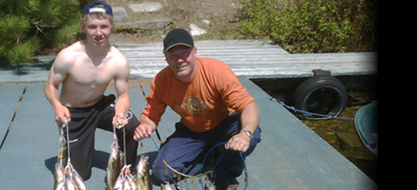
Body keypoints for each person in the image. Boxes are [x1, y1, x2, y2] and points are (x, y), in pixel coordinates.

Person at [133, 28, 262, 189]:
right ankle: (211, 156)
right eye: (173, 56)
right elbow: (150, 116)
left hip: (225, 122)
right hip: (191, 130)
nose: (179, 60)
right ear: (166, 58)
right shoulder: (160, 81)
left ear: (194, 52)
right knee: (161, 173)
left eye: (184, 53)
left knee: (252, 135)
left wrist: (245, 133)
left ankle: (225, 172)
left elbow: (248, 105)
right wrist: (145, 125)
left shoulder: (217, 71)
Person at [44, 0, 139, 180]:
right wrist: (56, 105)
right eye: (92, 27)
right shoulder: (68, 56)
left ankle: (128, 170)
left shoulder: (118, 60)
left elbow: (123, 96)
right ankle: (76, 150)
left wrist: (120, 113)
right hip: (73, 113)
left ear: (111, 27)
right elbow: (50, 85)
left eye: (103, 26)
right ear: (84, 27)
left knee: (131, 124)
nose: (98, 33)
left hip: (99, 106)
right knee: (79, 175)